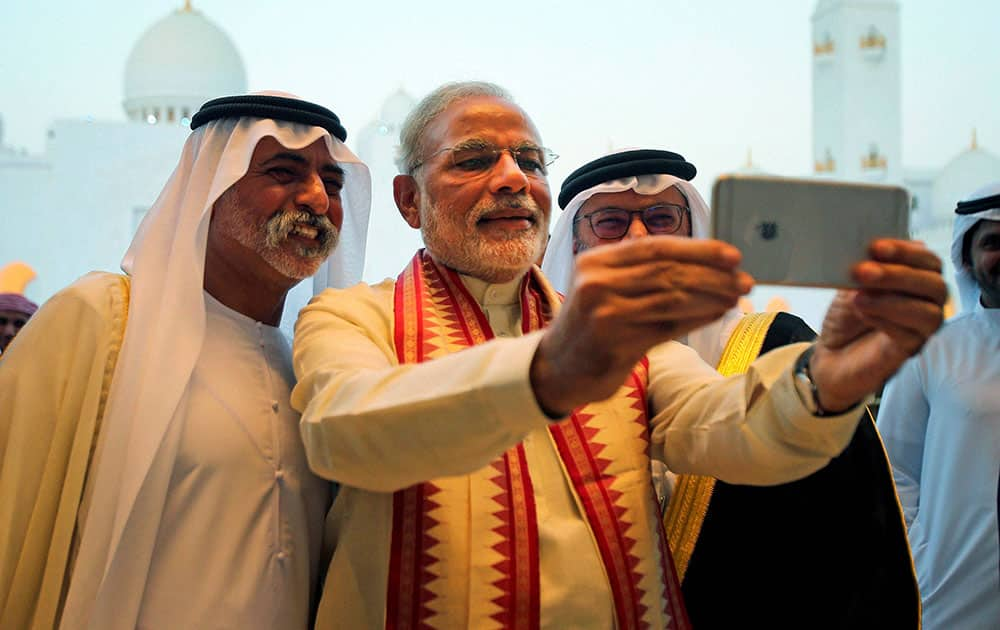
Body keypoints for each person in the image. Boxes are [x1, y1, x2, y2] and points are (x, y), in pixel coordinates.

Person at [291, 81, 946, 629]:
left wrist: (823, 382)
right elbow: (344, 431)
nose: (513, 178)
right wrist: (548, 372)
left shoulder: (619, 342)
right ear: (410, 200)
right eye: (472, 160)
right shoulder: (350, 318)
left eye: (530, 161)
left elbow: (727, 426)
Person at [0, 92, 372, 630]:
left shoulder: (308, 371)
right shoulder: (103, 322)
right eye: (284, 171)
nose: (316, 197)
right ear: (210, 188)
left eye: (332, 184)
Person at [544, 148, 919, 627]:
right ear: (575, 246)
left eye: (661, 218)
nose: (638, 237)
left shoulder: (779, 345)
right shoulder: (541, 375)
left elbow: (855, 524)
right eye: (610, 222)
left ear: (692, 235)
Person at [878, 181, 1000, 629]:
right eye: (993, 243)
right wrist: (920, 552)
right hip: (953, 587)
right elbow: (894, 467)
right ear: (966, 258)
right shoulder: (932, 347)